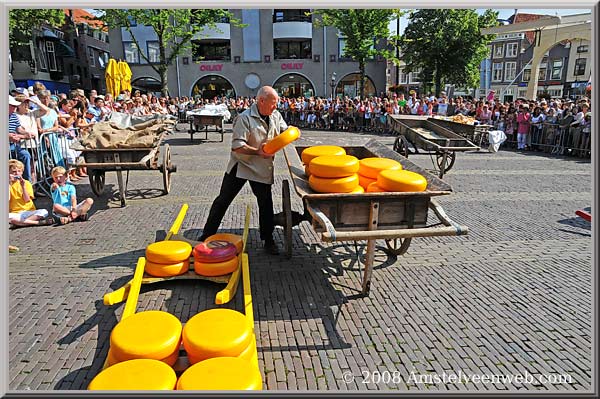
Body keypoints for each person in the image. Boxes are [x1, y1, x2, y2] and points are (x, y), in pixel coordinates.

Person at [199, 86, 287, 255]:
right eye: (273, 104)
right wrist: (258, 151)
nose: (275, 107)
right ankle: (206, 236)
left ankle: (268, 240)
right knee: (222, 201)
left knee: (266, 204)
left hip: (261, 168)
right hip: (242, 165)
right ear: (261, 101)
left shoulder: (275, 115)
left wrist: (292, 134)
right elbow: (237, 147)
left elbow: (284, 131)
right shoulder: (244, 118)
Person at [8, 160, 53, 227]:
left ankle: (19, 223)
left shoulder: (27, 183)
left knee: (44, 212)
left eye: (19, 171)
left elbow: (27, 200)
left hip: (28, 211)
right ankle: (35, 223)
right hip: (15, 213)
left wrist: (23, 186)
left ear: (22, 172)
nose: (17, 173)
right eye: (14, 172)